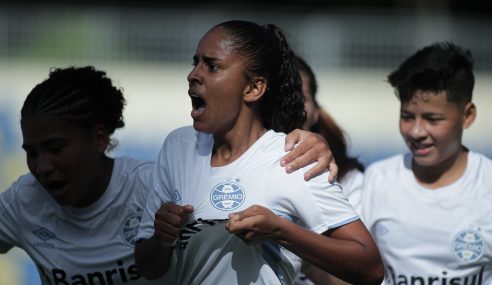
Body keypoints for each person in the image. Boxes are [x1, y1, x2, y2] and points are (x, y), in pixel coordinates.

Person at [0, 66, 337, 285]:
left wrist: (311, 143)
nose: (42, 165)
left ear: (100, 139)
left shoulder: (156, 186)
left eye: (55, 148)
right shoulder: (23, 202)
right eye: (32, 152)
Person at [134, 20, 384, 285]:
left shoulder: (294, 159)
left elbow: (370, 268)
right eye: (195, 62)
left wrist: (281, 231)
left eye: (212, 66)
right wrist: (161, 240)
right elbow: (148, 267)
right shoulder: (177, 147)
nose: (193, 74)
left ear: (254, 88)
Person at [360, 42, 492, 284]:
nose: (417, 131)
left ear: (467, 115)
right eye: (407, 117)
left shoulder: (487, 186)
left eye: (432, 119)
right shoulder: (378, 179)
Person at [294, 56, 366, 285]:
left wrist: (290, 239)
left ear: (316, 110)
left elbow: (366, 276)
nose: (288, 105)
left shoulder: (349, 181)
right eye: (277, 96)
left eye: (299, 97)